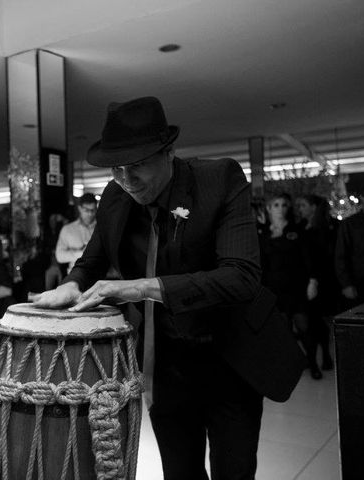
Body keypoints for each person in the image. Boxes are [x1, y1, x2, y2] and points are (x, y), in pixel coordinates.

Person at [34, 96, 305, 480]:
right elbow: (92, 259)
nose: (127, 180)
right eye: (117, 169)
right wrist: (71, 284)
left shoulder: (220, 179)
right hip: (167, 363)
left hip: (230, 356)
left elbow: (242, 276)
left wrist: (141, 287)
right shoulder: (115, 196)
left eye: (138, 165)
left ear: (169, 152)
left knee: (235, 471)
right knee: (179, 472)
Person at [258, 193, 318, 378]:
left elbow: (309, 259)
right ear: (268, 208)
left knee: (304, 326)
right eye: (276, 205)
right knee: (282, 330)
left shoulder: (297, 230)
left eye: (284, 205)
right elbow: (261, 264)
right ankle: (290, 365)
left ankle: (313, 363)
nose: (281, 208)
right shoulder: (262, 233)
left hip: (298, 286)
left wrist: (313, 281)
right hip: (273, 289)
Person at [296, 194, 338, 376]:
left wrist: (313, 280)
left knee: (314, 323)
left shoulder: (319, 230)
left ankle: (315, 363)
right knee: (316, 323)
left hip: (315, 283)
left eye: (303, 205)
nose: (300, 209)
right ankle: (323, 359)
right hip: (308, 281)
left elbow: (317, 259)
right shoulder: (304, 227)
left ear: (313, 207)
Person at [55, 193, 97, 271]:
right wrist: (82, 253)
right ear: (80, 208)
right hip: (75, 275)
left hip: (99, 275)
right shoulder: (68, 229)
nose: (90, 213)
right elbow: (59, 256)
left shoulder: (101, 228)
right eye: (86, 210)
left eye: (93, 210)